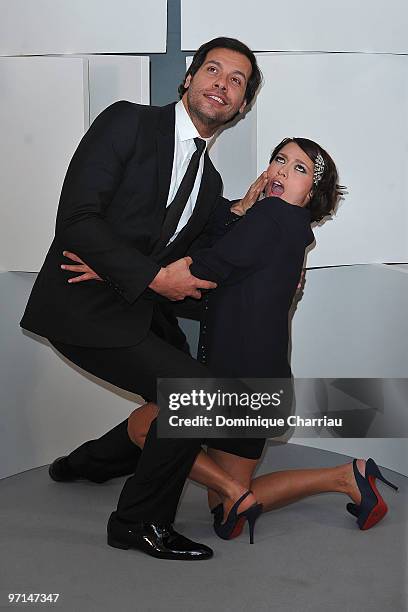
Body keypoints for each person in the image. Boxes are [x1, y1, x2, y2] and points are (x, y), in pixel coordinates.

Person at [60, 137, 399, 542]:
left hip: (232, 381)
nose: (281, 171)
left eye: (299, 169)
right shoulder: (293, 234)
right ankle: (347, 477)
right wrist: (239, 214)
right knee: (224, 514)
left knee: (142, 427)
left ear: (312, 193)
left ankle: (236, 491)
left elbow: (202, 269)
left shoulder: (272, 218)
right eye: (279, 160)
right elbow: (224, 280)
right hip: (263, 384)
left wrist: (117, 271)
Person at [20, 37, 265, 561]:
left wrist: (261, 251)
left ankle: (86, 464)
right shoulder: (127, 121)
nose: (221, 83)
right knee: (194, 395)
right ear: (188, 80)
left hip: (136, 313)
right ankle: (137, 523)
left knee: (191, 397)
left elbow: (193, 262)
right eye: (212, 70)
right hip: (82, 307)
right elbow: (79, 221)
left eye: (236, 80)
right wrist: (149, 277)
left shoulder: (209, 180)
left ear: (241, 107)